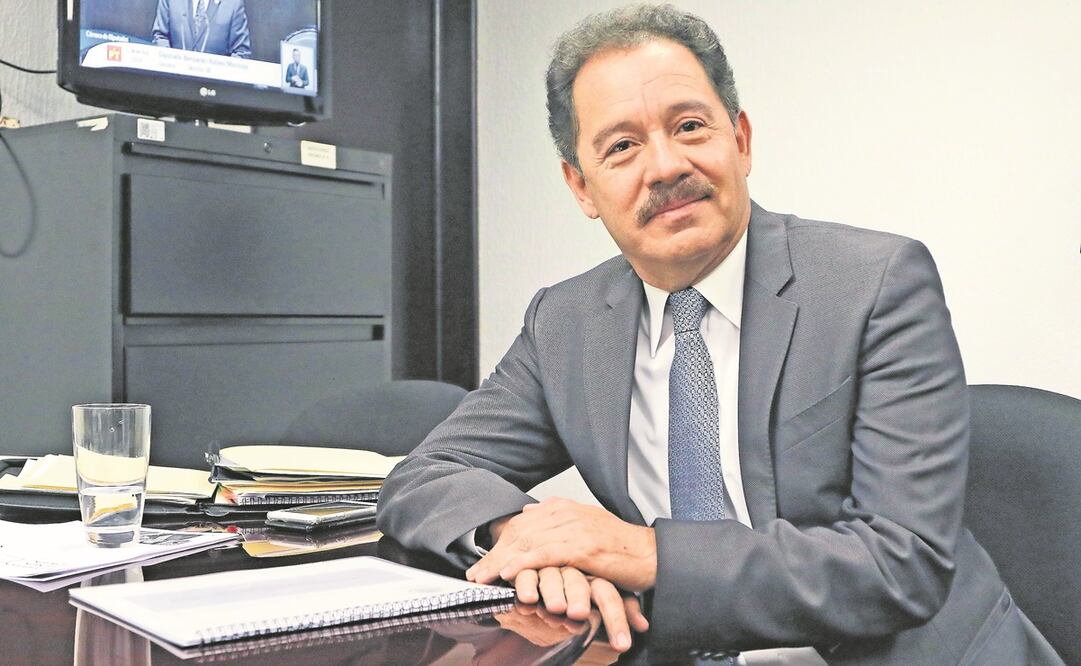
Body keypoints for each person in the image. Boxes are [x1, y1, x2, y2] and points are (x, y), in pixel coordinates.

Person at [377, 4, 1063, 664]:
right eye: (621, 146)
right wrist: (531, 538)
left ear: (740, 140)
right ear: (581, 187)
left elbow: (899, 564)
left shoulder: (875, 283)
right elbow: (425, 477)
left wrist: (638, 554)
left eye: (689, 127)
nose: (666, 166)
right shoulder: (566, 320)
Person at [152, 0, 251, 59]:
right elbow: (160, 36)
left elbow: (241, 52)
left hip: (214, 87)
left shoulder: (233, 4)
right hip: (175, 85)